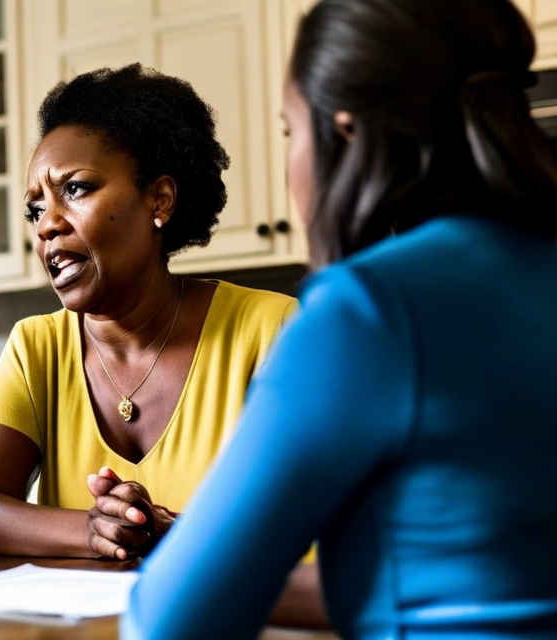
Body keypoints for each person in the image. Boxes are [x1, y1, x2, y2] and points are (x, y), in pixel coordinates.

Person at [123, 0, 557, 637]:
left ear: (346, 133)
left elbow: (167, 620)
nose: (292, 161)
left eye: (290, 131)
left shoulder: (369, 313)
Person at [0, 64, 326, 625]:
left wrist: (177, 535)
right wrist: (90, 529)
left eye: (74, 189)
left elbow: (300, 524)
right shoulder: (36, 347)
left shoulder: (271, 331)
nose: (46, 225)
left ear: (160, 201)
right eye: (35, 208)